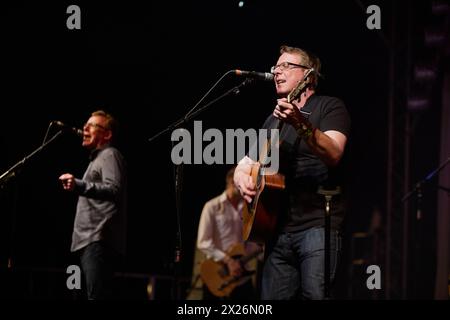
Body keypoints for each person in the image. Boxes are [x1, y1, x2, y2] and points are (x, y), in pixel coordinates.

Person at [234, 45, 351, 300]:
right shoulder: (272, 119)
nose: (277, 71)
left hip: (318, 227)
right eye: (276, 67)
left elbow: (333, 153)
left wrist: (299, 122)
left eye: (287, 66)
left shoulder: (330, 107)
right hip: (277, 232)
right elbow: (244, 164)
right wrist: (241, 178)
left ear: (308, 75)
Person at [59, 110, 127, 300]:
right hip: (83, 244)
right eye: (85, 125)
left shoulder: (110, 154)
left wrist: (78, 184)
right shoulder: (96, 160)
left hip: (97, 242)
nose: (85, 128)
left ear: (107, 134)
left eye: (92, 126)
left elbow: (114, 189)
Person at [196, 167, 260, 300]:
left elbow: (249, 243)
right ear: (232, 181)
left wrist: (261, 248)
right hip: (217, 273)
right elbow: (203, 243)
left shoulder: (249, 210)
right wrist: (229, 261)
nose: (249, 185)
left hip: (241, 274)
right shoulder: (212, 206)